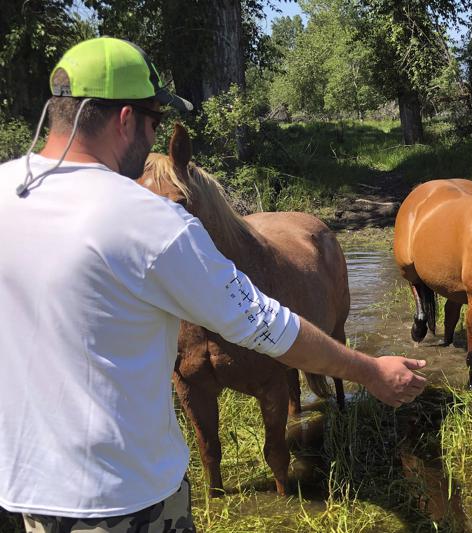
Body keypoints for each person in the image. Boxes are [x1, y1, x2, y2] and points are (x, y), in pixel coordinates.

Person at [0, 37, 427, 532]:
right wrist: (370, 370)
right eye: (155, 121)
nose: (155, 136)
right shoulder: (149, 222)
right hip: (122, 498)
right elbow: (265, 325)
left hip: (16, 490)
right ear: (124, 120)